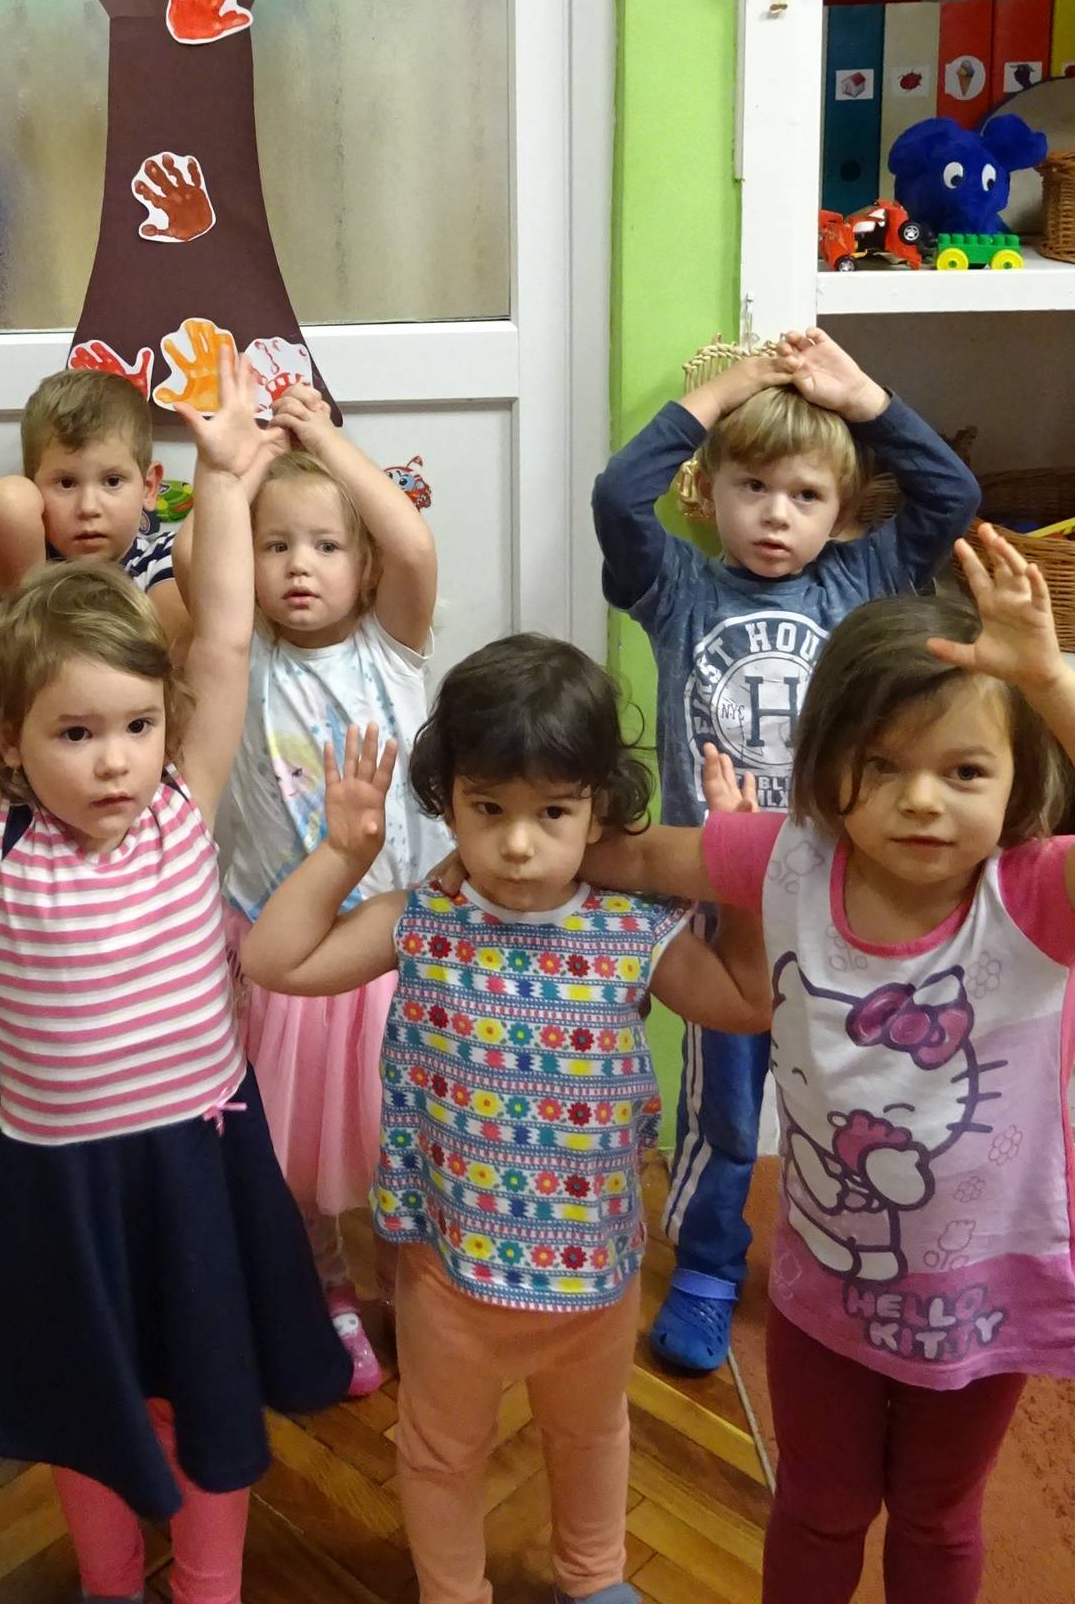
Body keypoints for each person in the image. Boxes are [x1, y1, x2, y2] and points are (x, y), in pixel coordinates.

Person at [0, 353, 349, 1604]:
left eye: (135, 728)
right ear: (11, 747)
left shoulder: (181, 811)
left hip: (202, 1164)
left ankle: (207, 1585)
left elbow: (223, 640)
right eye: (75, 733)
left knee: (209, 1388)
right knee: (93, 1406)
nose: (114, 761)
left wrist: (223, 481)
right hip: (66, 1189)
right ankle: (113, 1586)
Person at [582, 528, 1075, 1604]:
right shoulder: (792, 855)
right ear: (827, 768)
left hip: (982, 1303)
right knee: (818, 1507)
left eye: (964, 771)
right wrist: (515, 852)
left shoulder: (1036, 894)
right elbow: (644, 854)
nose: (922, 799)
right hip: (824, 1292)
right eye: (883, 766)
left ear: (1019, 778)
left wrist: (1046, 679)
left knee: (938, 1519)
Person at [241, 638, 768, 1604]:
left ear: (598, 811)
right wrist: (343, 853)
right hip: (450, 1280)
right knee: (440, 1452)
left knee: (592, 1435)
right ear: (447, 803)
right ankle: (452, 1590)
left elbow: (745, 1003)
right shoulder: (420, 919)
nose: (518, 846)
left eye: (552, 813)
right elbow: (274, 962)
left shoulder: (630, 930)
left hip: (594, 1281)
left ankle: (593, 1575)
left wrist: (739, 892)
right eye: (489, 810)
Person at [590, 328, 978, 1373]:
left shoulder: (863, 581)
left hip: (840, 895)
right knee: (724, 1100)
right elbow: (617, 496)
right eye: (752, 488)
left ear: (843, 511)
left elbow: (950, 495)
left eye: (805, 496)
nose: (775, 515)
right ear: (707, 492)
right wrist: (728, 390)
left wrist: (862, 399)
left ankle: (848, 1250)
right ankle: (710, 1266)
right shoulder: (677, 589)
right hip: (720, 898)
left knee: (849, 1091)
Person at [182, 380, 442, 1393]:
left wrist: (323, 439)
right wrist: (230, 467)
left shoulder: (395, 649)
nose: (299, 565)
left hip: (385, 955)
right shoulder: (239, 660)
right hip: (281, 954)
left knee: (399, 1147)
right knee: (294, 1158)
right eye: (276, 545)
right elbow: (201, 569)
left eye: (327, 546)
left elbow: (411, 546)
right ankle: (324, 1285)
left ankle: (406, 1286)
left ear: (362, 566)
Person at [0, 365, 187, 644]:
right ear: (34, 490)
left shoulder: (163, 559)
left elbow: (168, 656)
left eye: (112, 481)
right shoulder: (34, 564)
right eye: (66, 483)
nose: (88, 508)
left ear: (148, 487)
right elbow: (6, 503)